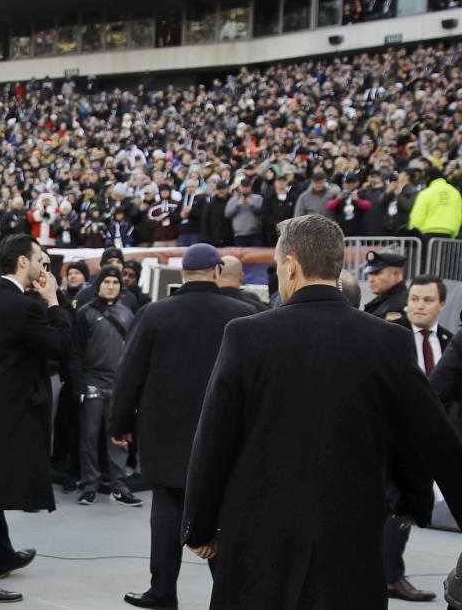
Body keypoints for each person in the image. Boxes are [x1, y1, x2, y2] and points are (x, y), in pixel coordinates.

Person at [182, 215, 462, 609]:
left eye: (278, 263)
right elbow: (429, 434)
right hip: (350, 536)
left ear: (291, 265)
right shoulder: (389, 341)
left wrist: (199, 525)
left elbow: (214, 439)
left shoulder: (247, 336)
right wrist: (413, 499)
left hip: (260, 536)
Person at [110, 244, 254, 609]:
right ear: (217, 271)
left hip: (165, 433)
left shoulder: (155, 313)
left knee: (166, 512)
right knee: (221, 515)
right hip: (224, 435)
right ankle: (228, 595)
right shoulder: (243, 314)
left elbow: (129, 374)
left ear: (182, 273)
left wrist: (120, 422)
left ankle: (162, 592)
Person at [0, 233, 72, 603]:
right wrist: (54, 301)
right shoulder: (24, 307)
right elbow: (61, 347)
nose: (44, 267)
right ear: (23, 262)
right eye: (40, 260)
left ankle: (3, 555)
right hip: (8, 411)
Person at [383, 274, 454, 602]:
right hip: (393, 438)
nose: (418, 306)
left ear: (442, 304)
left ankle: (390, 573)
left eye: (427, 300)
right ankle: (390, 575)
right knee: (394, 508)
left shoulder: (449, 339)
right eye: (414, 299)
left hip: (430, 441)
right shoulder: (388, 335)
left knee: (409, 510)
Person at [69, 266, 140, 507]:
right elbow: (75, 352)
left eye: (115, 282)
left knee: (118, 439)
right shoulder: (85, 314)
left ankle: (119, 486)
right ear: (98, 284)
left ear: (121, 287)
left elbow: (133, 354)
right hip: (92, 382)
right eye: (106, 281)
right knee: (88, 438)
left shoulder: (129, 314)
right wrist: (78, 385)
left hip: (118, 386)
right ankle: (89, 485)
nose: (111, 285)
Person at [409, 170, 462, 241]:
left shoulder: (426, 193)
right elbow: (458, 215)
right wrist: (454, 233)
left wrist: (413, 232)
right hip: (449, 234)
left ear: (428, 178)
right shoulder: (455, 193)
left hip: (427, 233)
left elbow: (418, 215)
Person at [363, 251, 409, 321]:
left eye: (377, 273)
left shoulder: (396, 306)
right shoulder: (384, 299)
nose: (371, 279)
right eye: (370, 274)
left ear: (395, 275)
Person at [224, 179, 264, 246]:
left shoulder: (258, 198)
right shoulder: (233, 200)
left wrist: (251, 205)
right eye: (243, 187)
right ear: (240, 187)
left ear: (250, 187)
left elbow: (262, 212)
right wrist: (237, 205)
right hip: (239, 235)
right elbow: (227, 214)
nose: (245, 189)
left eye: (247, 187)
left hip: (255, 234)